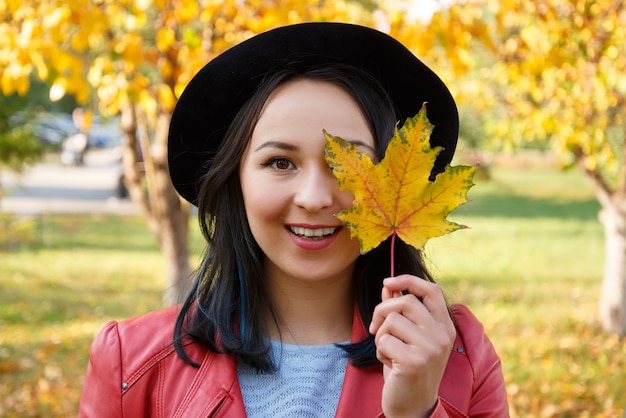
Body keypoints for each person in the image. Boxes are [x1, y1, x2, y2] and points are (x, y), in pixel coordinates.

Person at [78, 22, 508, 417]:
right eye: (280, 162)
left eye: (346, 166)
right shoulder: (130, 364)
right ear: (236, 180)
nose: (315, 198)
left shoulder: (460, 355)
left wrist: (418, 412)